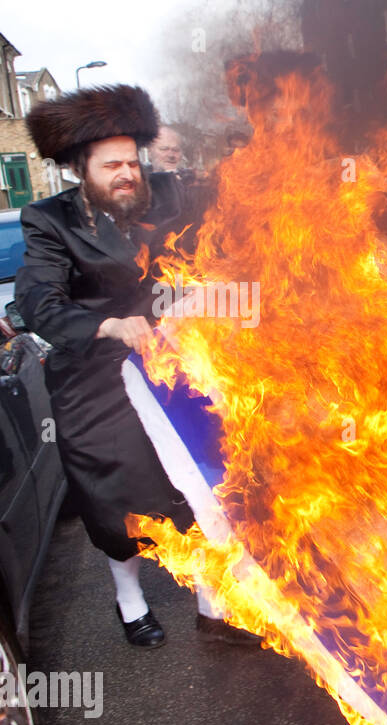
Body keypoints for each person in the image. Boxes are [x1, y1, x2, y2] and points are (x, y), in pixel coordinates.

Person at [16, 85, 251, 648]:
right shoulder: (48, 220)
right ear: (80, 168)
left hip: (173, 367)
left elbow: (239, 202)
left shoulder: (168, 192)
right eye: (112, 164)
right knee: (114, 496)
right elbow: (40, 301)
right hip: (95, 379)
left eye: (131, 160)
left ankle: (212, 604)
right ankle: (129, 597)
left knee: (193, 482)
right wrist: (108, 325)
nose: (127, 173)